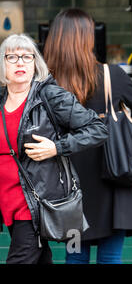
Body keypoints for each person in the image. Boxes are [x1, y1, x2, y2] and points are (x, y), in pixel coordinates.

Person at [43, 8, 132, 264]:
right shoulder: (112, 76)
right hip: (112, 175)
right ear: (88, 38)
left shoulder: (45, 82)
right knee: (111, 257)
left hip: (68, 182)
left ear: (55, 39)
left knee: (75, 257)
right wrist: (126, 137)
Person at [0, 33, 108, 264]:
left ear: (35, 63)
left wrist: (57, 147)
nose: (20, 62)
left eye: (27, 57)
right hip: (6, 199)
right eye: (12, 57)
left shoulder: (49, 96)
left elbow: (98, 129)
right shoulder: (0, 101)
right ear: (2, 63)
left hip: (34, 202)